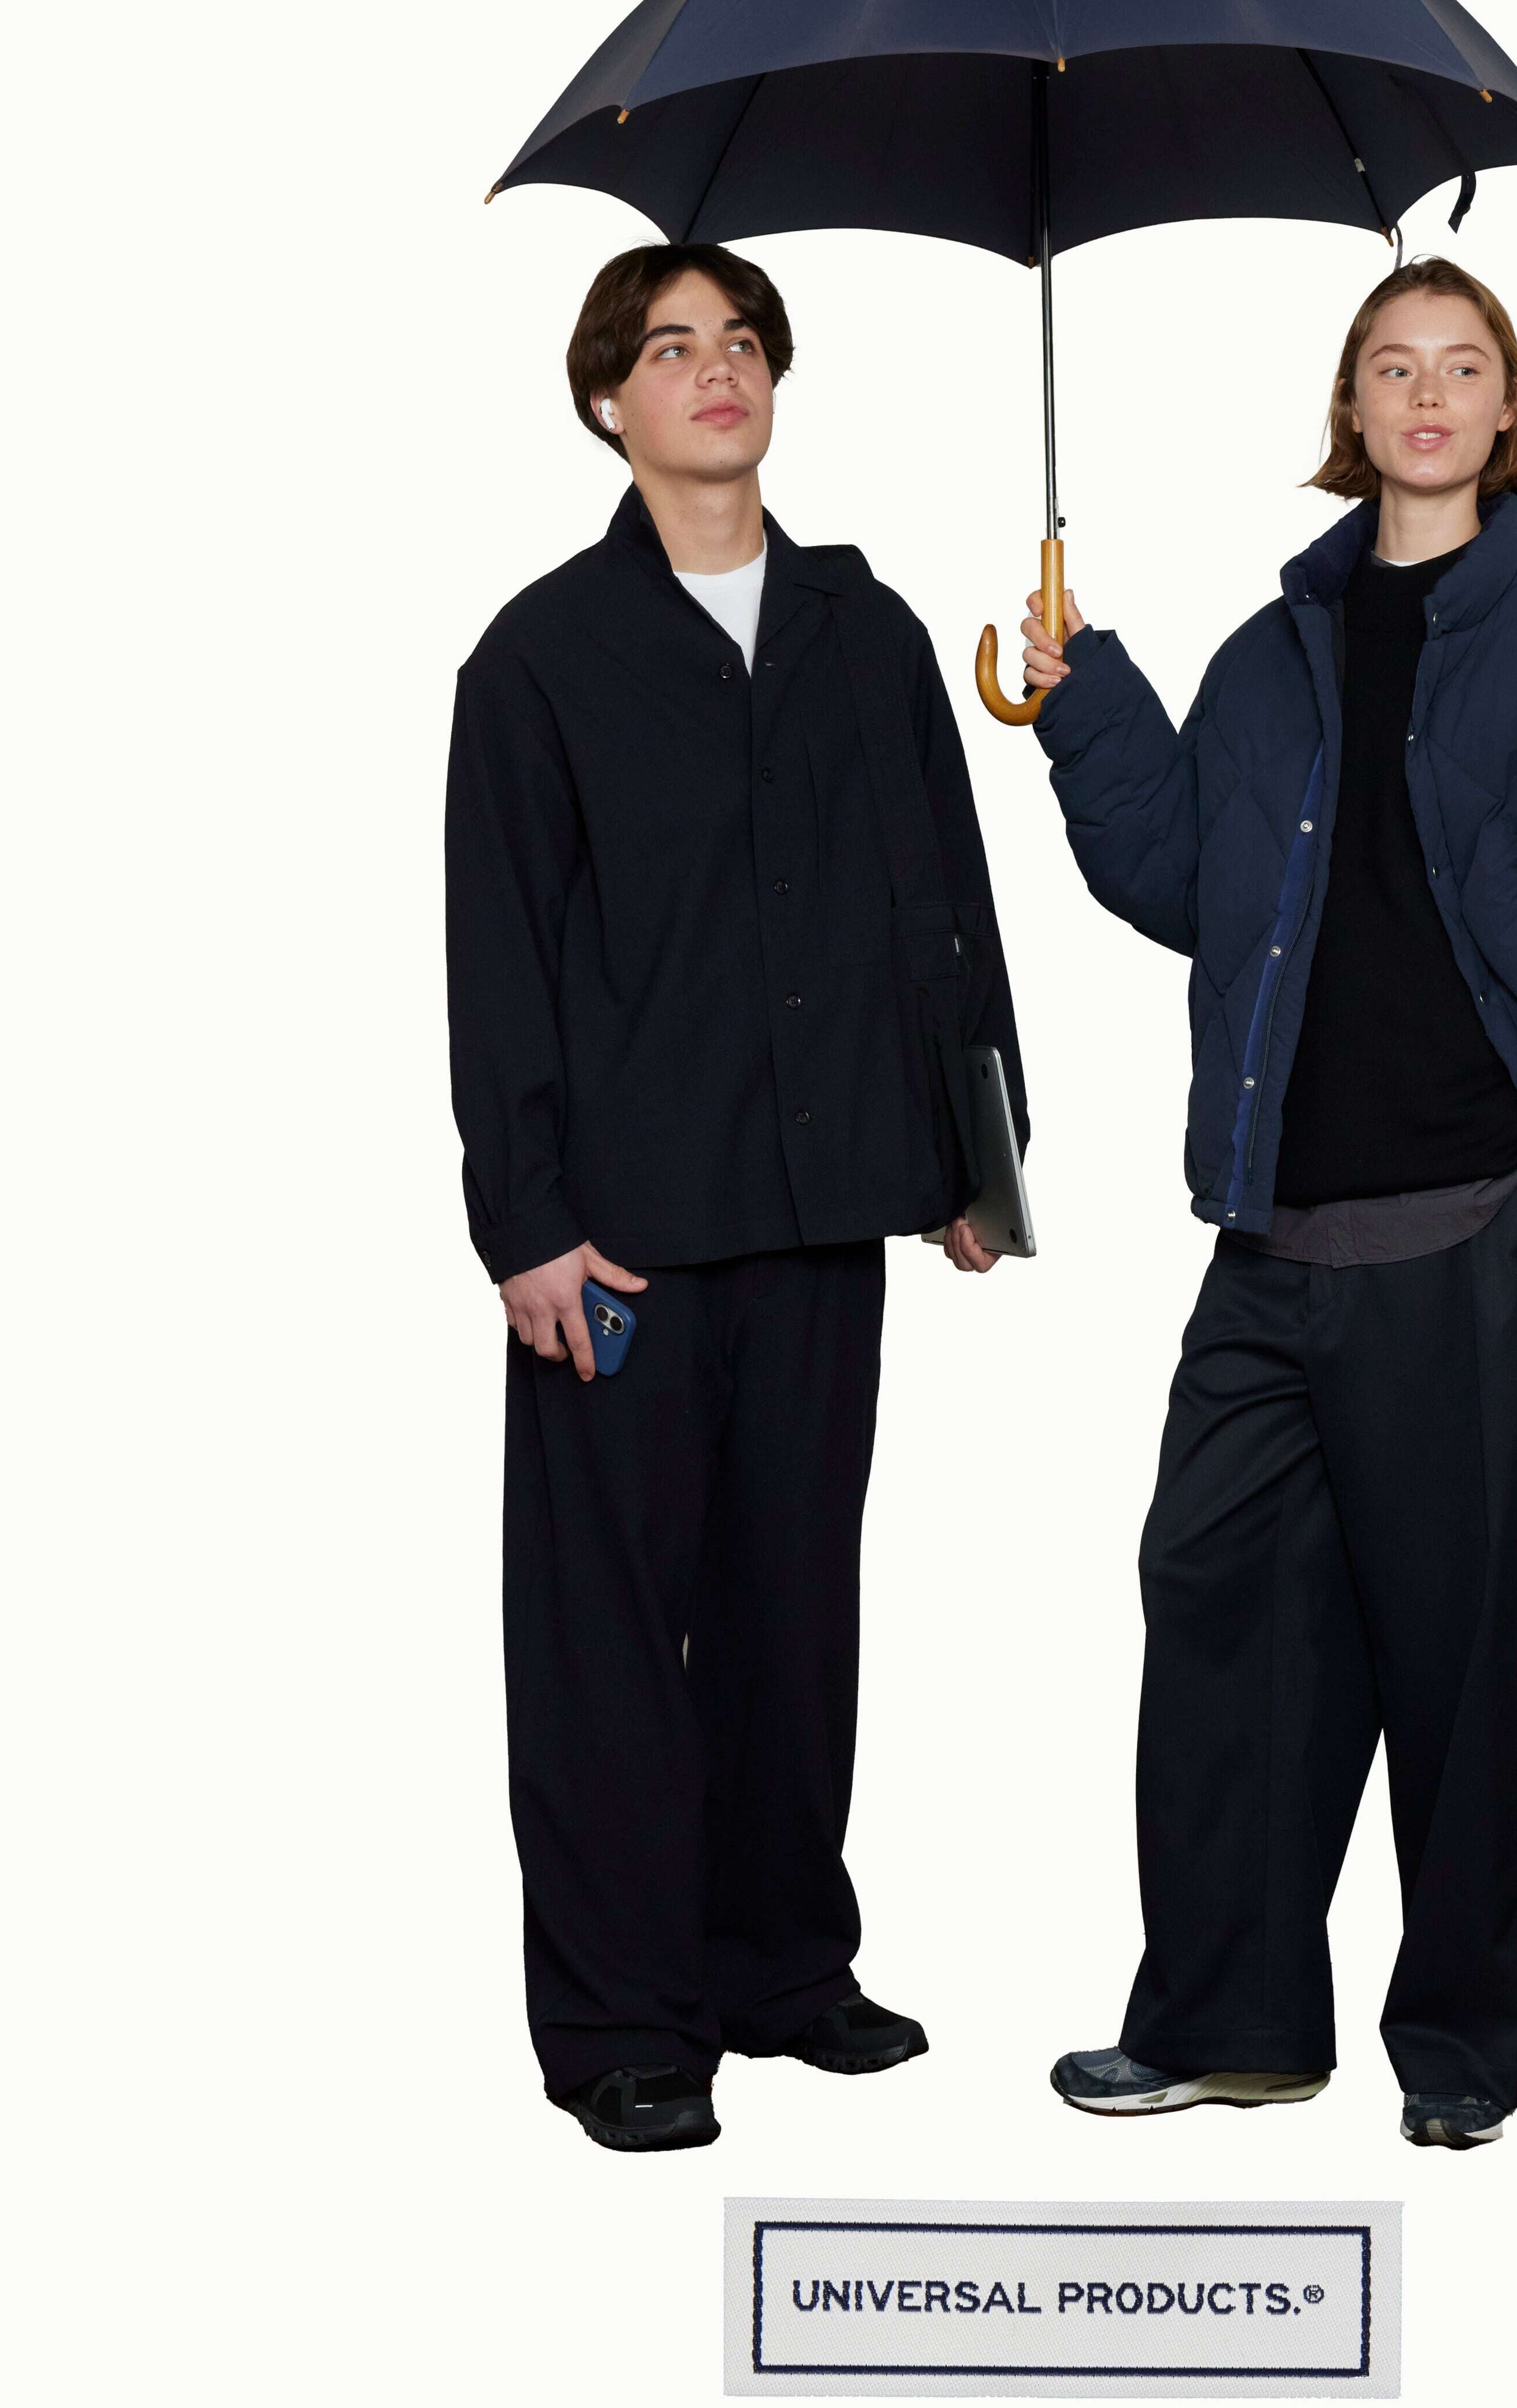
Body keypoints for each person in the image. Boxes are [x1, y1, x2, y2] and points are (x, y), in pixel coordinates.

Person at [1019, 256, 1517, 2150]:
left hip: (1470, 1227)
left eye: (1462, 366)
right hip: (1270, 1231)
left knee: (1465, 1657)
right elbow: (1187, 888)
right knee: (1221, 1616)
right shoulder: (1267, 652)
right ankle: (1231, 2022)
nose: (1427, 395)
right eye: (1391, 366)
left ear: (1507, 411)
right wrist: (1085, 705)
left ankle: (1464, 2056)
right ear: (1347, 411)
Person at [445, 241, 1026, 2152]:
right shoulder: (541, 657)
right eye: (672, 346)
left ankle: (780, 1969)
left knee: (794, 1612)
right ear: (606, 401)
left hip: (829, 1203)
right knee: (610, 1638)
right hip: (618, 1232)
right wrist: (525, 1222)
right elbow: (499, 957)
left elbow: (947, 900)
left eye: (744, 340)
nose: (718, 369)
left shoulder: (868, 632)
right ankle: (625, 2021)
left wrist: (978, 1156)